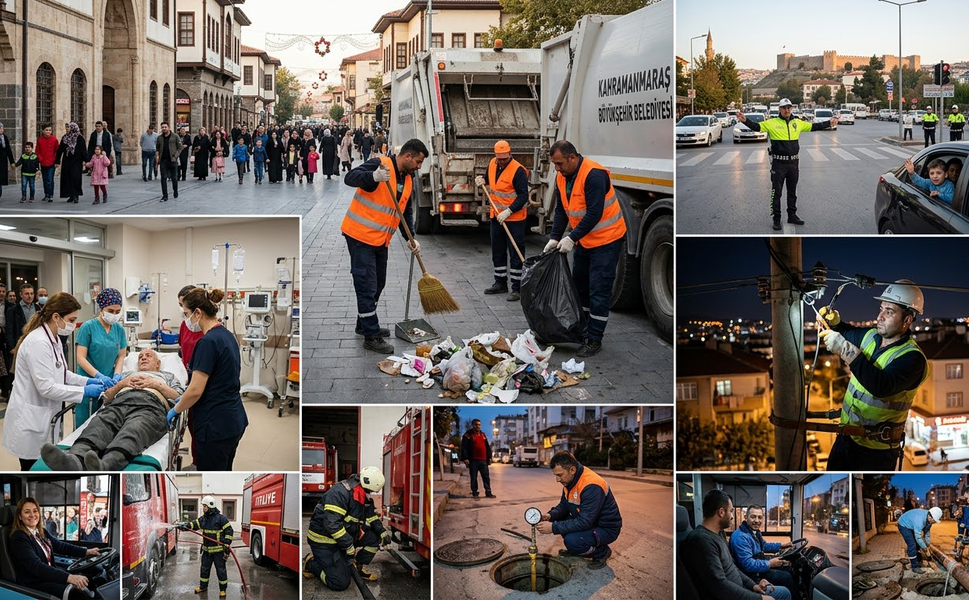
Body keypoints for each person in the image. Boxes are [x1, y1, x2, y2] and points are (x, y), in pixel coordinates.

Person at [818, 280, 928, 471]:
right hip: (846, 438)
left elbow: (881, 386)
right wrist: (834, 322)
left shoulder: (912, 358)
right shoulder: (870, 336)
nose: (880, 316)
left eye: (889, 311)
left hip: (875, 451)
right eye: (881, 309)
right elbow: (846, 331)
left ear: (907, 320)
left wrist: (846, 350)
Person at [3, 292, 109, 470]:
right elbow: (47, 388)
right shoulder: (38, 342)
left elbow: (62, 373)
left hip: (43, 415)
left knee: (43, 462)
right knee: (32, 468)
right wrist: (84, 392)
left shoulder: (53, 339)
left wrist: (90, 381)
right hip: (30, 419)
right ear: (56, 316)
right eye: (72, 319)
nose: (74, 325)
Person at [542, 139, 627, 358]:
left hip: (607, 239)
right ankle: (584, 330)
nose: (557, 169)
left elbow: (594, 213)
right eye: (555, 165)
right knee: (580, 285)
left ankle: (595, 339)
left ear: (572, 157)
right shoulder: (563, 177)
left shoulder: (594, 175)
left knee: (599, 289)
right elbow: (562, 209)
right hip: (585, 240)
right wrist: (554, 237)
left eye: (560, 163)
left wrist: (571, 237)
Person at [342, 138, 428, 354]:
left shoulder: (408, 178)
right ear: (407, 156)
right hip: (360, 236)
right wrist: (373, 177)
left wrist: (411, 237)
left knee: (379, 283)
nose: (419, 166)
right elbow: (350, 177)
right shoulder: (380, 164)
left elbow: (404, 210)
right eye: (418, 162)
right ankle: (371, 336)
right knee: (367, 285)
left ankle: (364, 324)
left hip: (380, 239)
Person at [41, 348, 185, 470]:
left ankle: (105, 465)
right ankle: (74, 461)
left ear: (158, 363)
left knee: (133, 430)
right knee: (99, 424)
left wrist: (156, 384)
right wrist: (121, 384)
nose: (143, 358)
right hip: (118, 404)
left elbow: (180, 397)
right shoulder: (126, 375)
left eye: (148, 356)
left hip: (150, 406)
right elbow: (107, 397)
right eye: (140, 356)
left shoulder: (168, 377)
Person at [166, 288, 248, 470]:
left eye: (186, 314)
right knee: (224, 469)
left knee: (213, 470)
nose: (186, 320)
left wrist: (176, 409)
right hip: (233, 420)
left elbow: (195, 390)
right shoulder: (226, 335)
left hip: (215, 425)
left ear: (198, 313)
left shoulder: (207, 342)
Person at [735, 99, 837, 230]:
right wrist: (745, 120)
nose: (787, 110)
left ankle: (792, 215)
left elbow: (813, 126)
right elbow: (757, 127)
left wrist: (829, 123)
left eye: (789, 107)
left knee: (792, 191)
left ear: (791, 109)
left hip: (794, 163)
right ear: (780, 109)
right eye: (784, 108)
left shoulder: (798, 123)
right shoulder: (772, 123)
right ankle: (776, 219)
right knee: (776, 193)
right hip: (778, 164)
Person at [682, 489, 792, 600]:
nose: (732, 516)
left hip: (742, 587)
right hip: (732, 594)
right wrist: (760, 598)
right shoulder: (702, 541)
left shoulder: (719, 535)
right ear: (721, 512)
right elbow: (720, 587)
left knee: (785, 591)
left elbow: (733, 568)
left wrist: (753, 585)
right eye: (731, 511)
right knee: (785, 591)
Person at [303, 467, 389, 589]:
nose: (371, 493)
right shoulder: (340, 493)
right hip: (324, 540)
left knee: (374, 539)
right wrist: (348, 545)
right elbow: (332, 524)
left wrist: (383, 533)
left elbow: (371, 517)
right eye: (370, 490)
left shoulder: (362, 495)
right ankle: (311, 563)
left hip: (344, 536)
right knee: (340, 583)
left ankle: (357, 566)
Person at [536, 451, 621, 569]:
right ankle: (577, 549)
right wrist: (550, 515)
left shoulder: (591, 485)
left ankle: (601, 552)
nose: (557, 480)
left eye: (559, 475)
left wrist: (553, 527)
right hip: (590, 521)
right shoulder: (570, 481)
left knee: (572, 541)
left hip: (606, 528)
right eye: (555, 475)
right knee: (560, 519)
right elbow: (564, 506)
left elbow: (584, 522)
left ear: (572, 470)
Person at [9, 498, 103, 599]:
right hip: (35, 582)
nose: (32, 515)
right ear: (19, 516)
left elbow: (60, 546)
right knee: (78, 593)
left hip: (48, 575)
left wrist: (86, 551)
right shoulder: (18, 537)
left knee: (90, 581)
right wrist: (69, 577)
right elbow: (37, 566)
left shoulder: (41, 532)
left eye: (35, 511)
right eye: (27, 512)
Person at [476, 140, 529, 302]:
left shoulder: (518, 170)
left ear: (510, 154)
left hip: (514, 219)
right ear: (495, 156)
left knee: (515, 252)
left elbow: (523, 196)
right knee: (497, 250)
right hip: (496, 217)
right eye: (499, 158)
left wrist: (509, 211)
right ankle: (500, 282)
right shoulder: (492, 164)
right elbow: (489, 180)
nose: (501, 161)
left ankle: (516, 287)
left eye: (504, 158)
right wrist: (481, 181)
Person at [73, 288, 127, 428]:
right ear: (101, 308)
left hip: (109, 383)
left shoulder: (119, 330)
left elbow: (121, 356)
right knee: (84, 424)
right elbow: (81, 358)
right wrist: (98, 376)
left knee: (104, 423)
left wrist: (117, 375)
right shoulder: (88, 327)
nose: (114, 315)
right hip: (88, 381)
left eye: (117, 311)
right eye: (110, 311)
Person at [729, 506, 797, 595]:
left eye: (760, 517)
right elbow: (748, 564)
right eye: (753, 517)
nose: (757, 520)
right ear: (746, 517)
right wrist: (770, 563)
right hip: (751, 575)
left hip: (757, 567)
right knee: (786, 576)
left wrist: (782, 546)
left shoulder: (754, 532)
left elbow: (764, 546)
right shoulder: (740, 537)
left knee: (788, 568)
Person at [178, 496, 233, 598]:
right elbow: (194, 524)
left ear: (210, 506)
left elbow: (229, 531)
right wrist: (185, 526)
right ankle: (203, 587)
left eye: (205, 506)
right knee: (204, 570)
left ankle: (223, 589)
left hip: (218, 552)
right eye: (203, 506)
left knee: (221, 571)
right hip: (206, 551)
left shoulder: (221, 519)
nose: (203, 508)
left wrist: (227, 543)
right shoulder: (203, 519)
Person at [177, 285, 204, 468]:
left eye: (184, 307)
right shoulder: (185, 326)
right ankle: (197, 460)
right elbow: (182, 352)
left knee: (201, 426)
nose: (182, 311)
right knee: (192, 425)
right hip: (188, 380)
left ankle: (200, 462)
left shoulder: (208, 333)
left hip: (200, 383)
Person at [898, 507, 941, 574]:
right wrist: (925, 549)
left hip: (911, 524)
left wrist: (928, 544)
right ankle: (914, 567)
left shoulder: (929, 521)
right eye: (934, 520)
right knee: (912, 544)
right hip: (904, 525)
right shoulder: (919, 520)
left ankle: (919, 560)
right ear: (930, 517)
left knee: (918, 545)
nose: (935, 522)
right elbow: (918, 538)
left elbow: (927, 533)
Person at [460, 419, 495, 499]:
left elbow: (487, 446)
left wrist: (489, 457)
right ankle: (475, 493)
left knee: (486, 477)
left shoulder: (483, 434)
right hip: (473, 460)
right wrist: (465, 458)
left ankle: (488, 492)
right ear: (473, 425)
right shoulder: (467, 435)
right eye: (476, 424)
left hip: (483, 460)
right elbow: (464, 447)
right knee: (473, 477)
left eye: (479, 425)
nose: (478, 426)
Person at [56, 122, 87, 203]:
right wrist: (57, 161)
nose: (67, 129)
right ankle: (71, 195)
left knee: (75, 177)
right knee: (67, 178)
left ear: (73, 128)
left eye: (68, 128)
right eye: (66, 128)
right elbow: (60, 150)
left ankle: (76, 195)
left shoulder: (80, 138)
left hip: (77, 160)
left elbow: (83, 150)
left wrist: (86, 161)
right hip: (67, 160)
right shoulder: (65, 137)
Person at [4, 284, 40, 352]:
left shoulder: (37, 308)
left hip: (35, 342)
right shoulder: (13, 310)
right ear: (21, 294)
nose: (30, 296)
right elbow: (9, 330)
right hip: (19, 344)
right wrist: (11, 347)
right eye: (27, 294)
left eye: (31, 293)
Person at [156, 122, 182, 201]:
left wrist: (176, 156)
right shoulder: (159, 138)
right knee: (163, 178)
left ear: (169, 127)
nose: (164, 129)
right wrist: (157, 157)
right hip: (163, 160)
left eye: (165, 127)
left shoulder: (175, 136)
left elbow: (180, 147)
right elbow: (157, 148)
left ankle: (175, 190)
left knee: (174, 177)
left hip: (172, 160)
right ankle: (165, 195)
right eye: (162, 127)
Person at [36, 125, 58, 202]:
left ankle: (51, 194)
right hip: (43, 162)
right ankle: (46, 194)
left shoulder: (54, 140)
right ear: (43, 131)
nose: (48, 131)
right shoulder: (39, 140)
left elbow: (56, 151)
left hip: (51, 163)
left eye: (49, 130)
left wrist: (56, 160)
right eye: (46, 130)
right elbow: (37, 151)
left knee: (50, 179)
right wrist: (40, 159)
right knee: (45, 179)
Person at [0, 123, 14, 200]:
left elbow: (8, 150)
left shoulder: (4, 137)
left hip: (2, 161)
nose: (2, 130)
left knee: (0, 179)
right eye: (0, 128)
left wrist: (12, 162)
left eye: (2, 128)